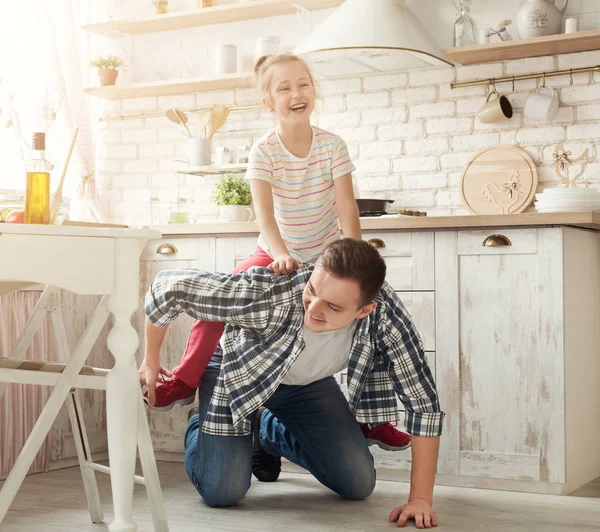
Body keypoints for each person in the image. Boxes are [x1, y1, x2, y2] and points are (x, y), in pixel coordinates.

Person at [139, 52, 410, 451]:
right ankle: (185, 378)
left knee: (371, 310)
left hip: (327, 255)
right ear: (269, 102)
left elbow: (346, 206)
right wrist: (281, 253)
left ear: (313, 91)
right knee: (224, 298)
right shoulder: (264, 151)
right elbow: (264, 217)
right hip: (275, 251)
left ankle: (373, 417)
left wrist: (355, 259)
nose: (296, 93)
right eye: (284, 88)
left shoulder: (333, 146)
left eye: (303, 84)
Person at [143, 239, 445, 528]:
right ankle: (201, 424)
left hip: (305, 383)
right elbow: (168, 286)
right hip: (237, 372)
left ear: (364, 310)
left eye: (333, 307)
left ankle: (267, 430)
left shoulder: (387, 318)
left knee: (357, 482)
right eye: (312, 290)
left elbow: (424, 406)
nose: (313, 309)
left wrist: (420, 499)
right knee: (223, 492)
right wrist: (150, 358)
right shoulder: (272, 291)